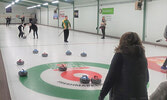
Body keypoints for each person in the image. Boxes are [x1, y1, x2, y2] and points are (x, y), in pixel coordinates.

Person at [99, 32, 149, 100]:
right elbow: (146, 79)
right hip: (142, 97)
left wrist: (102, 95)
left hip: (122, 96)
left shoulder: (120, 55)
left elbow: (111, 77)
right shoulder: (142, 56)